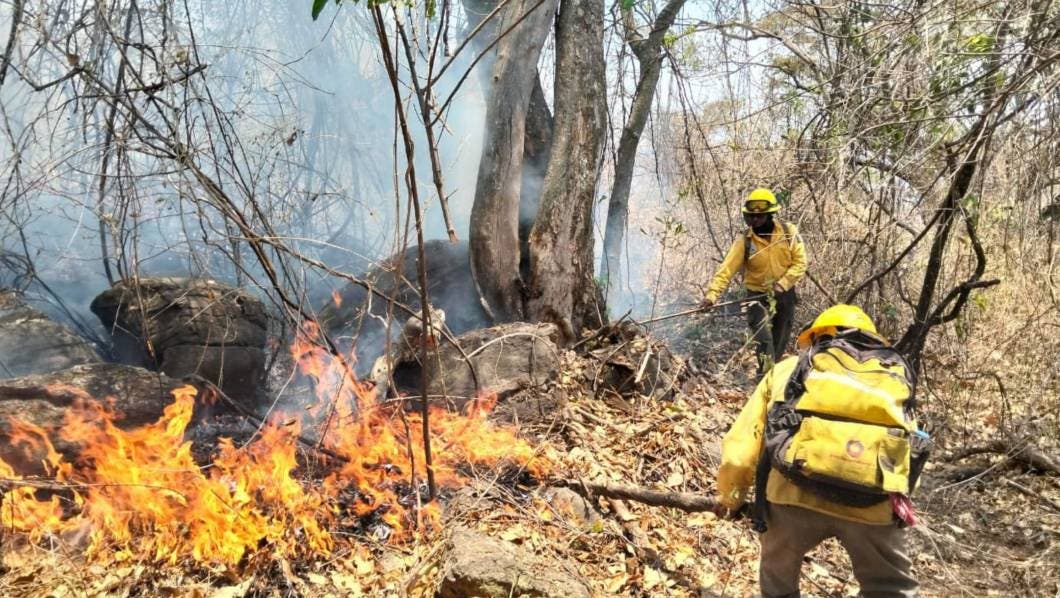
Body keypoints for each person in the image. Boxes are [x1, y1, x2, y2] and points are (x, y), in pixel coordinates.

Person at [715, 305, 922, 598]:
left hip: (792, 493)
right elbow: (909, 449)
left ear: (818, 336)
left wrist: (731, 498)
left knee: (778, 584)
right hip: (873, 502)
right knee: (890, 588)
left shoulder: (790, 368)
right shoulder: (892, 376)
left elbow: (742, 446)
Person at [702, 188, 807, 374]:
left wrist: (782, 285)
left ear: (770, 215)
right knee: (764, 340)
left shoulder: (788, 232)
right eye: (751, 217)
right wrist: (712, 296)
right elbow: (726, 269)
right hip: (756, 297)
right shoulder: (744, 241)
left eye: (759, 217)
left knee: (779, 340)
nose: (755, 221)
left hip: (785, 295)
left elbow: (800, 263)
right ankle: (766, 379)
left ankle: (770, 378)